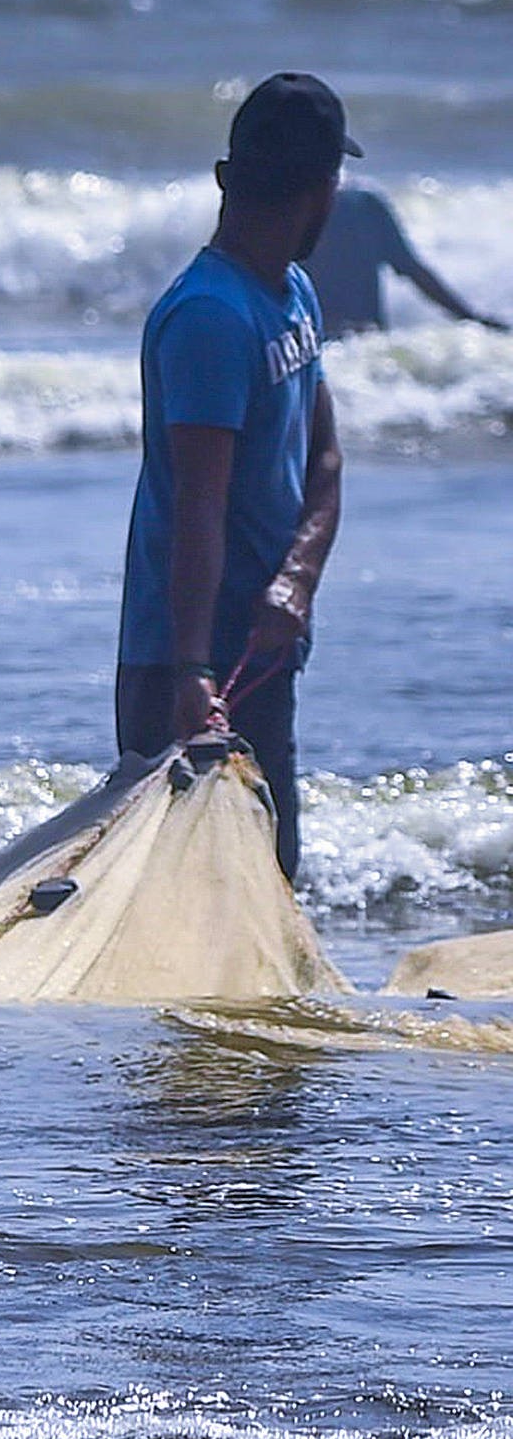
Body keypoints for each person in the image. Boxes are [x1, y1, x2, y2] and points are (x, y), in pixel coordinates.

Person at [117, 74, 355, 881]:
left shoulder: (292, 294)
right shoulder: (212, 318)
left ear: (228, 176)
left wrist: (295, 583)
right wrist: (192, 671)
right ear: (326, 189)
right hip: (190, 664)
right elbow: (198, 508)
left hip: (260, 646)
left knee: (268, 878)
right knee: (188, 905)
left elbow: (324, 456)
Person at [302, 175, 486, 334]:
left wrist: (470, 319)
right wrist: (471, 318)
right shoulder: (364, 202)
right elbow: (414, 271)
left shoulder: (286, 205)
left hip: (311, 347)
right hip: (366, 345)